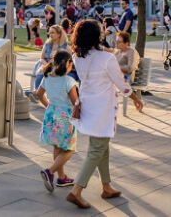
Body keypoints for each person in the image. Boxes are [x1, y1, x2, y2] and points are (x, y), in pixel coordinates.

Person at [67, 20, 143, 209]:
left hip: (87, 105)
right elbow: (120, 83)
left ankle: (106, 186)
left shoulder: (77, 56)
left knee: (102, 146)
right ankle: (76, 190)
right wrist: (135, 97)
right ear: (97, 36)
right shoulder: (106, 58)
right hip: (102, 108)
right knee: (96, 150)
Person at [35, 50, 79, 192]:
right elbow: (75, 102)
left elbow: (39, 94)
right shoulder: (68, 81)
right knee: (69, 149)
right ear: (67, 64)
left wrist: (49, 105)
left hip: (51, 114)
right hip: (65, 117)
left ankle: (62, 177)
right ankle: (50, 171)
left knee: (57, 146)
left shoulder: (47, 77)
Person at [34, 25, 69, 91]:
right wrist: (47, 65)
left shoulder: (65, 46)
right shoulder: (47, 44)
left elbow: (69, 60)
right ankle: (36, 91)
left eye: (52, 32)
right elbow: (41, 58)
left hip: (59, 67)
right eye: (49, 32)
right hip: (46, 65)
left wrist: (55, 67)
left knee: (52, 73)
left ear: (59, 34)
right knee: (41, 72)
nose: (50, 34)